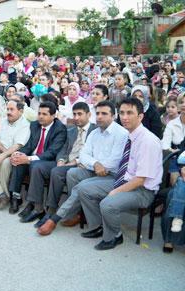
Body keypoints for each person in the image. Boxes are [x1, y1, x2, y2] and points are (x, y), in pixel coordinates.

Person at [77, 97, 163, 250]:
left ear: (140, 116)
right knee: (83, 188)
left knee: (108, 203)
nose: (124, 117)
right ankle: (100, 226)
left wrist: (114, 191)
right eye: (122, 113)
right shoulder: (130, 135)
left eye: (130, 113)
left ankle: (115, 236)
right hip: (125, 181)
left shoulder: (147, 140)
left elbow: (141, 179)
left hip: (142, 190)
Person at [37, 101, 128, 236]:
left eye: (104, 114)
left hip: (112, 175)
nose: (100, 117)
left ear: (114, 116)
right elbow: (84, 155)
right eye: (98, 113)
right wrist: (96, 164)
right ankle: (75, 213)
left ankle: (56, 218)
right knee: (73, 173)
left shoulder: (121, 133)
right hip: (94, 170)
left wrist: (96, 164)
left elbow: (115, 161)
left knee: (81, 187)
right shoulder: (95, 133)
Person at [32, 102, 97, 228]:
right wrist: (61, 160)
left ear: (88, 115)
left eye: (80, 114)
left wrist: (76, 161)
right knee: (40, 167)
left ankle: (51, 211)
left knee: (56, 172)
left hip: (82, 165)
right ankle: (37, 208)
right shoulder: (71, 130)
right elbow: (63, 148)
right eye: (74, 114)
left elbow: (94, 152)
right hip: (66, 163)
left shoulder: (95, 131)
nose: (76, 117)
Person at [9, 102, 67, 220]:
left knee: (35, 165)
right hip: (34, 158)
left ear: (53, 116)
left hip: (50, 161)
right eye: (39, 113)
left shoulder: (60, 128)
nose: (40, 116)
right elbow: (29, 145)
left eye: (44, 114)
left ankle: (35, 205)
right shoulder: (34, 125)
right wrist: (20, 154)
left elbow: (52, 152)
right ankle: (16, 197)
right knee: (18, 161)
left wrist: (29, 159)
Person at [161, 151, 185, 253]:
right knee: (176, 190)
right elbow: (177, 163)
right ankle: (168, 240)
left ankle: (177, 218)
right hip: (180, 182)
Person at [161, 98, 185, 185]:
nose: (183, 105)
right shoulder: (171, 124)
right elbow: (165, 144)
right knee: (175, 180)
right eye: (181, 102)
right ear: (178, 106)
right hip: (176, 156)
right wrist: (171, 150)